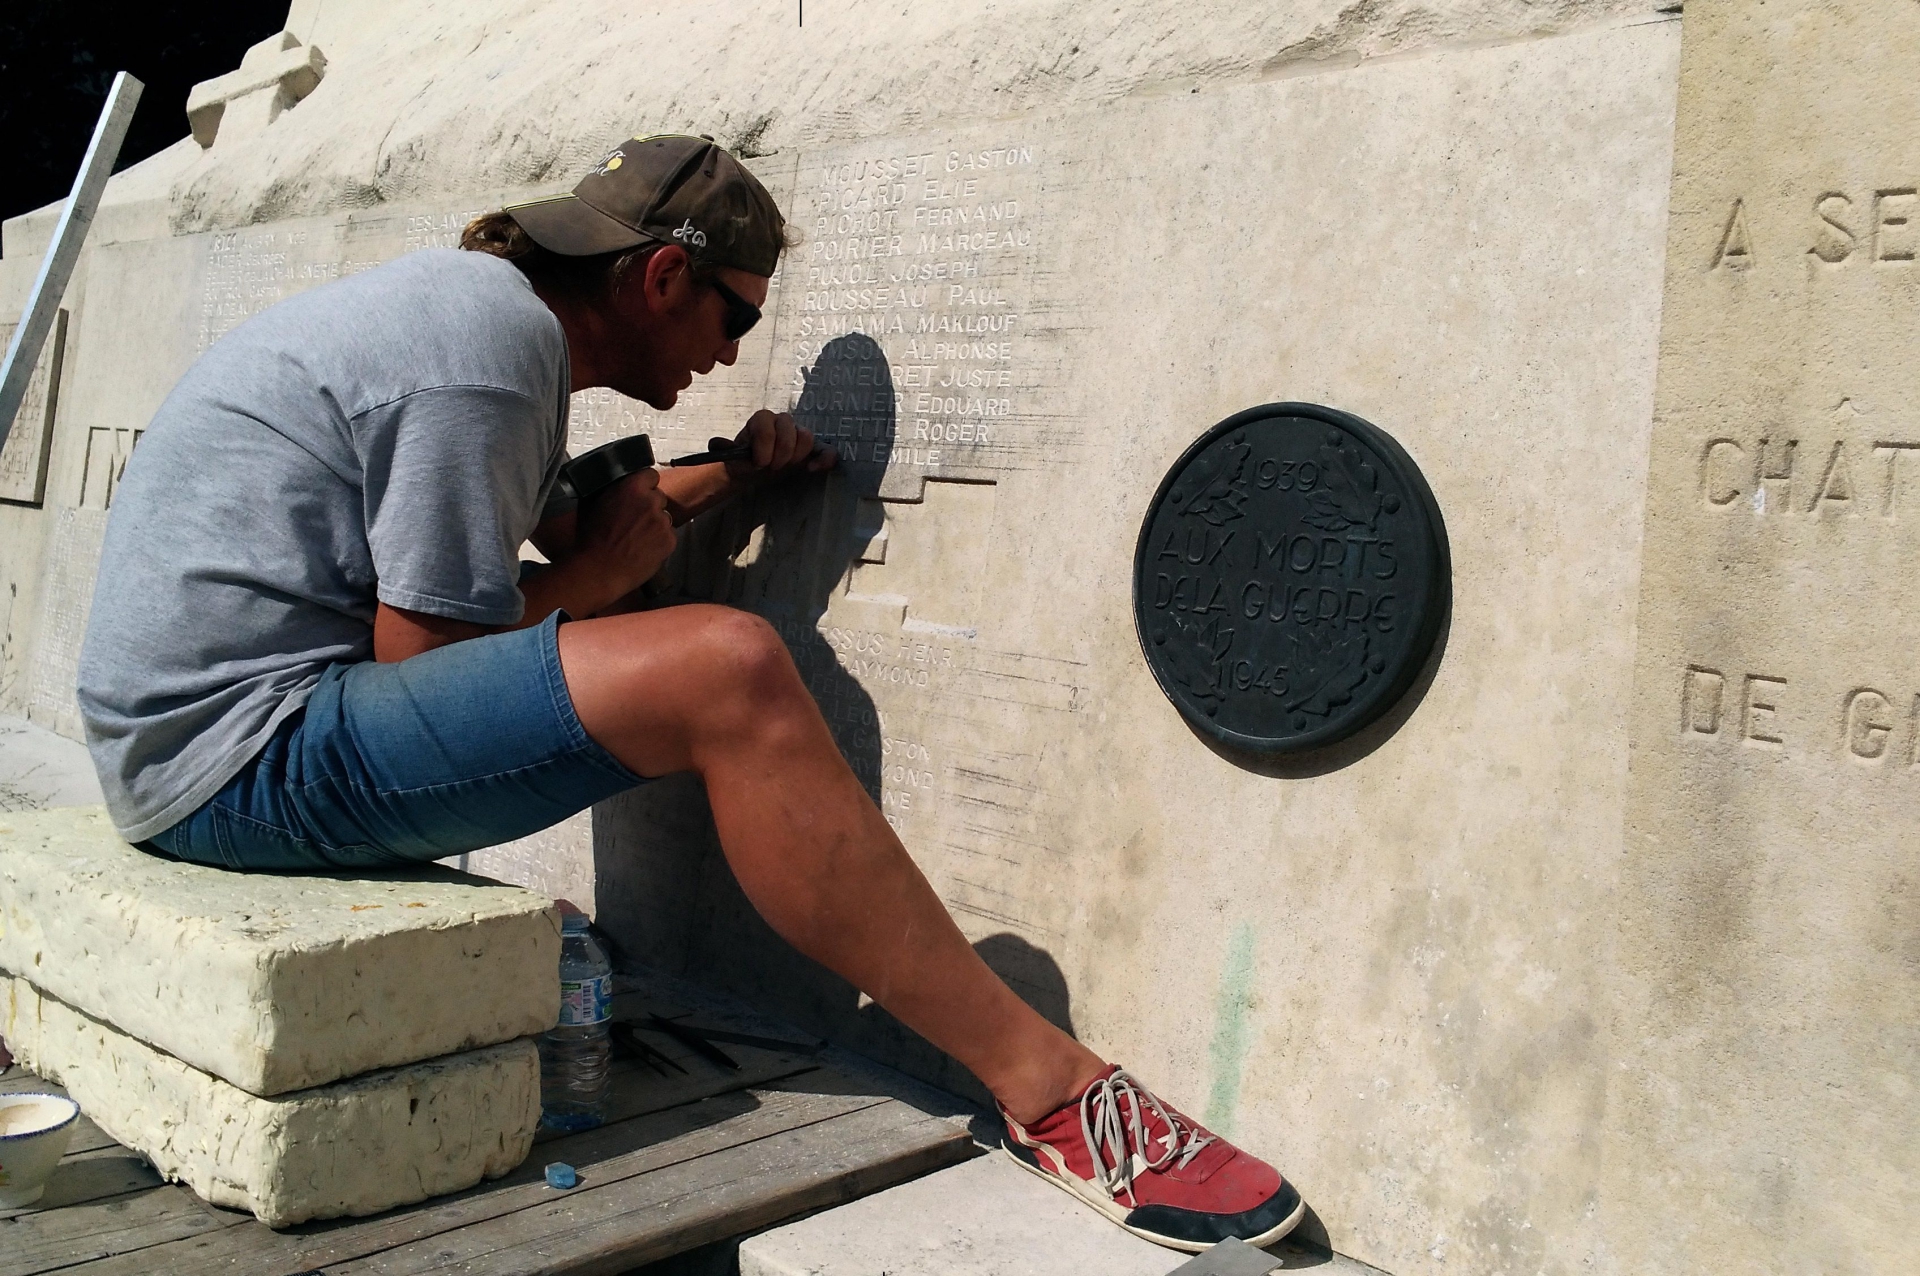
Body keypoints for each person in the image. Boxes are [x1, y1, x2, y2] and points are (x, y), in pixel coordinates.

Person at [75, 134, 1303, 1253]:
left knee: (693, 645)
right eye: (734, 315)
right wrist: (601, 578)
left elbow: (570, 522)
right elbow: (428, 668)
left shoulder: (478, 322)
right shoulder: (490, 360)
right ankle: (1053, 1092)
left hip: (193, 735)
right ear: (663, 277)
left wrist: (731, 474)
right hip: (232, 763)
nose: (731, 351)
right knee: (732, 670)